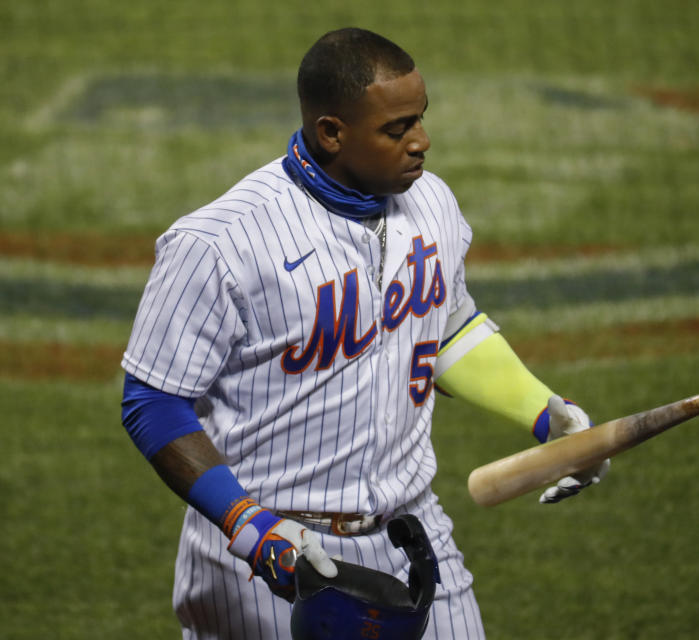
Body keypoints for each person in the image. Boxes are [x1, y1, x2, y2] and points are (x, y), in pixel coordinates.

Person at [120, 27, 609, 639]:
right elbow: (153, 402)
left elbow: (446, 330)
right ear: (332, 132)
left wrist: (547, 414)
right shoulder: (221, 243)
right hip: (265, 556)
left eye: (421, 120)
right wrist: (250, 527)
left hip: (410, 534)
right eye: (397, 128)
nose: (422, 142)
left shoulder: (431, 203)